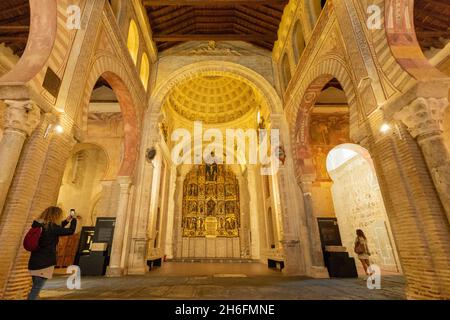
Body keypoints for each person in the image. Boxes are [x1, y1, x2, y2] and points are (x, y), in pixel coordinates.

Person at [27, 206, 77, 300]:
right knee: (36, 289)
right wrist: (74, 219)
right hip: (44, 263)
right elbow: (71, 231)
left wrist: (66, 221)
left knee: (36, 288)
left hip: (34, 261)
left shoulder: (40, 225)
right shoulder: (52, 228)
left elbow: (56, 229)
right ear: (56, 216)